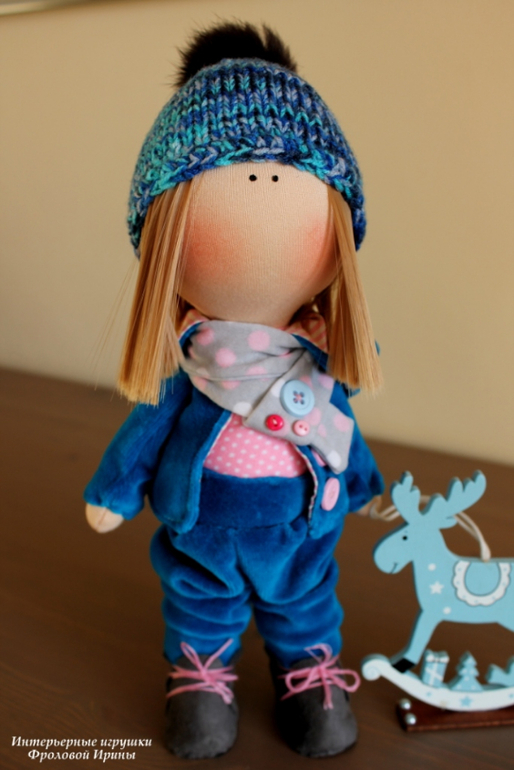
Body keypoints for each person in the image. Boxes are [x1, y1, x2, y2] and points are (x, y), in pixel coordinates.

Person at [85, 21, 383, 760]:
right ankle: (201, 673)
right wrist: (115, 492)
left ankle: (307, 670)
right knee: (200, 598)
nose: (263, 185)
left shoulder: (318, 360)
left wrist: (363, 482)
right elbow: (145, 430)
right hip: (203, 523)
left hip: (302, 522)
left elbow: (337, 426)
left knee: (305, 596)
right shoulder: (187, 366)